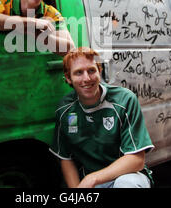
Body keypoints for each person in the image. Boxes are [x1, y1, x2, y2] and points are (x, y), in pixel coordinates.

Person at [49, 47, 154, 188]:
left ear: (100, 71)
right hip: (90, 182)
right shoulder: (64, 109)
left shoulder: (124, 100)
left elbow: (136, 160)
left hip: (125, 175)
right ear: (68, 78)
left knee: (127, 184)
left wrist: (93, 179)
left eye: (91, 70)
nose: (86, 78)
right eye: (78, 73)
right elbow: (66, 159)